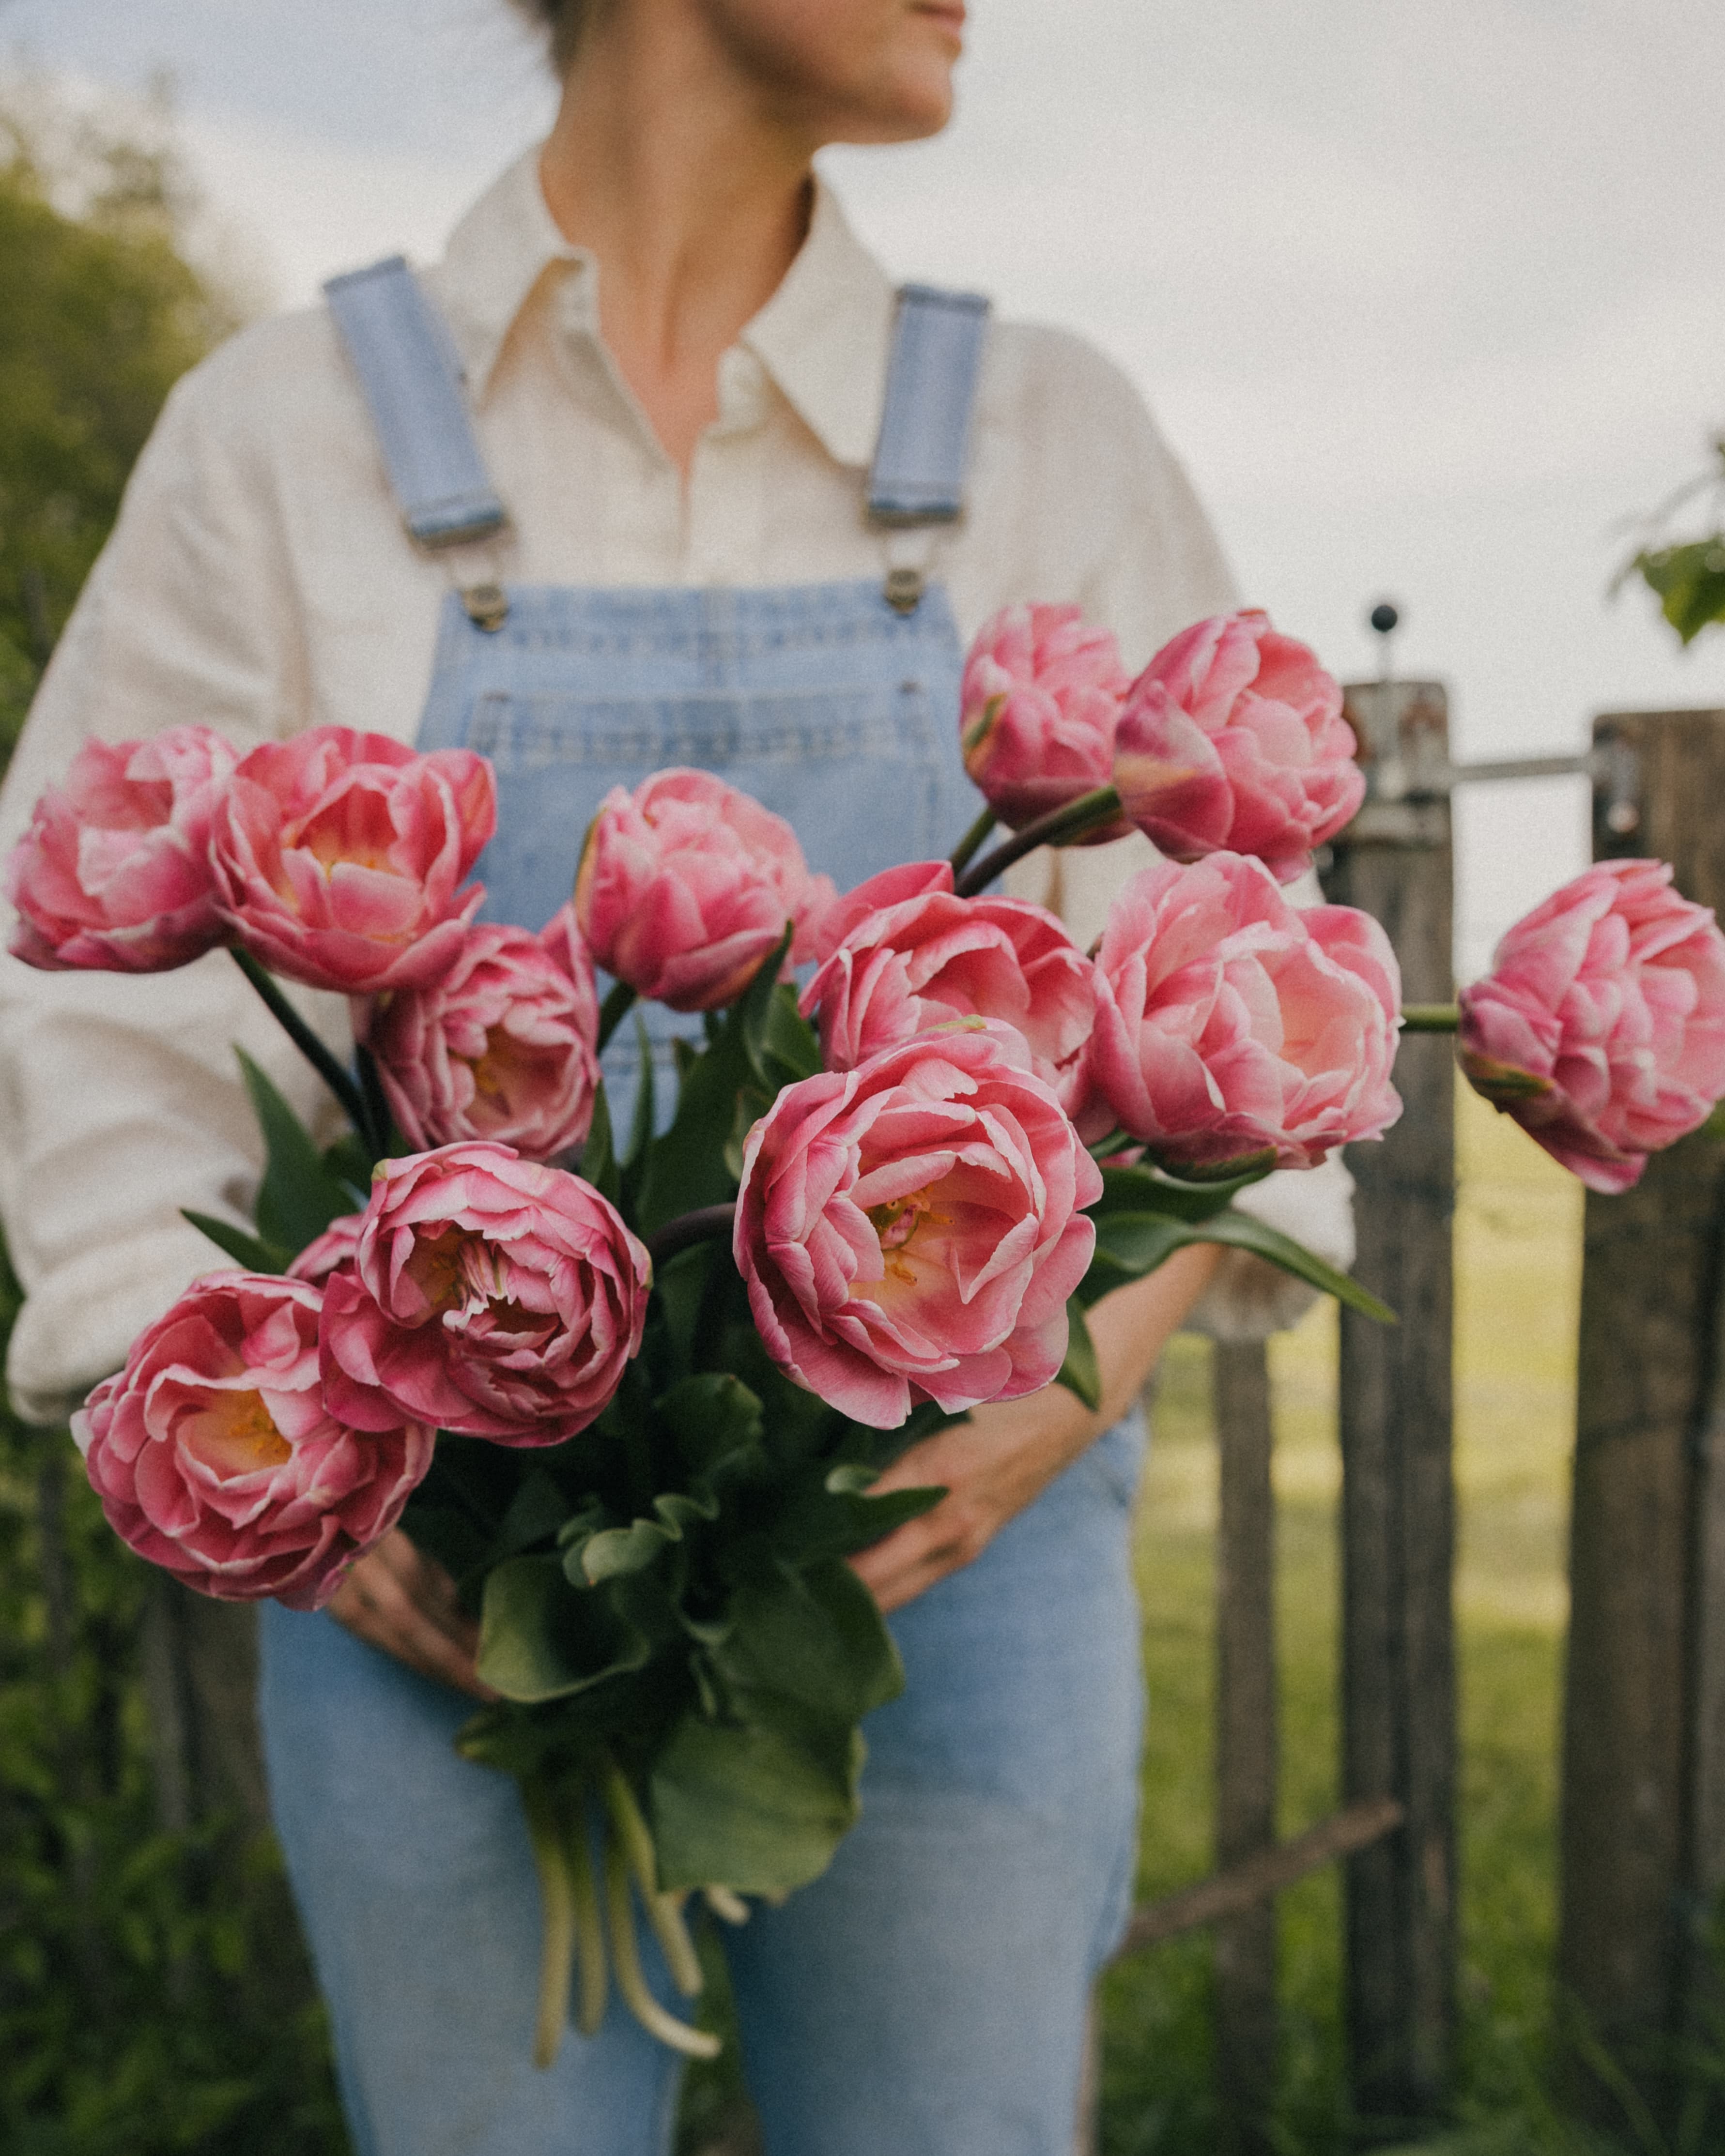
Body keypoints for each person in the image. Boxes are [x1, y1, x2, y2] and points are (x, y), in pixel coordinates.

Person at [0, 4, 1353, 2152]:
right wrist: (278, 1470)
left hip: (952, 1565)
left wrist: (1047, 1415)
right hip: (431, 1584)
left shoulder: (1044, 432)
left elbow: (1269, 1010)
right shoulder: (284, 434)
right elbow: (96, 1020)